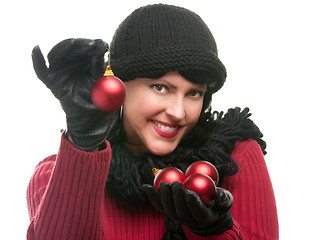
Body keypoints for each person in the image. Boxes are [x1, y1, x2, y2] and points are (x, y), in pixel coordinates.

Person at [26, 3, 279, 240]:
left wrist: (218, 230)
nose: (178, 112)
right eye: (160, 87)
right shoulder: (55, 176)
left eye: (194, 93)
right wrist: (84, 145)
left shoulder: (236, 158)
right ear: (119, 85)